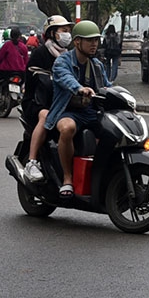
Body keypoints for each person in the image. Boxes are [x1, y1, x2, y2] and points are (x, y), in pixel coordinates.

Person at [44, 20, 108, 198]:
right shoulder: (62, 61)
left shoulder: (97, 65)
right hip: (67, 110)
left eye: (96, 40)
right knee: (67, 128)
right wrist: (80, 88)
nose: (94, 44)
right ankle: (68, 178)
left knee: (113, 132)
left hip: (91, 112)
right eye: (90, 40)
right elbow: (65, 78)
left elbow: (107, 86)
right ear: (77, 42)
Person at [21, 15, 72, 183]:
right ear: (52, 33)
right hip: (37, 102)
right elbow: (38, 83)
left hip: (60, 102)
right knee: (45, 116)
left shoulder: (69, 55)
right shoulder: (40, 53)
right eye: (63, 31)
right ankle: (32, 161)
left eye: (69, 31)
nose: (67, 34)